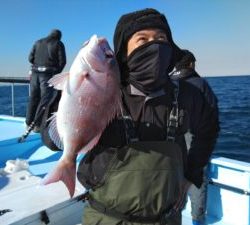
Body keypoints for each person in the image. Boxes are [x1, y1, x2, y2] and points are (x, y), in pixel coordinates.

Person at [43, 8, 219, 225]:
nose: (153, 45)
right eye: (142, 39)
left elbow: (208, 130)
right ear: (124, 51)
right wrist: (66, 95)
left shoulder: (188, 94)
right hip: (106, 217)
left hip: (167, 218)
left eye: (161, 38)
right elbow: (50, 141)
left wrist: (191, 174)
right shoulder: (110, 89)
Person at [170, 50, 220, 225]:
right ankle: (198, 220)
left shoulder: (168, 83)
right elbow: (211, 119)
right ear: (191, 64)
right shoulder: (200, 84)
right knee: (197, 176)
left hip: (171, 138)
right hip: (194, 135)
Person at [25, 29, 66, 132]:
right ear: (58, 36)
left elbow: (30, 58)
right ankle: (37, 125)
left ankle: (28, 122)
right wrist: (56, 73)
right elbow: (63, 62)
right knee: (45, 99)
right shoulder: (58, 43)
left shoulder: (37, 42)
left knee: (33, 98)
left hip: (34, 74)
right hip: (48, 74)